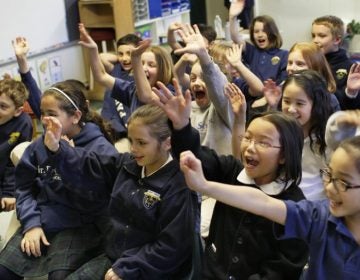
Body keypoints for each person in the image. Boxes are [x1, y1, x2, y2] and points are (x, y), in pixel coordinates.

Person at [153, 83, 308, 279]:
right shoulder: (233, 171)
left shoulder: (295, 206)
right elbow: (197, 157)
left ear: (285, 155)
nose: (250, 147)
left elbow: (285, 267)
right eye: (247, 138)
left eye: (263, 142)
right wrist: (181, 127)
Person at [40, 103, 199, 280]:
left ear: (167, 143)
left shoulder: (179, 186)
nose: (133, 149)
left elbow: (172, 247)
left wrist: (129, 267)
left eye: (141, 142)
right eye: (131, 140)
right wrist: (58, 149)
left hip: (149, 269)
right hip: (116, 256)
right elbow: (91, 165)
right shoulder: (128, 164)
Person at [179, 135, 360, 280]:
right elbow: (262, 202)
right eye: (329, 174)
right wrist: (204, 186)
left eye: (343, 182)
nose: (328, 188)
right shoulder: (319, 216)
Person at [0, 81, 118, 280]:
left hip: (80, 225)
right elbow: (24, 188)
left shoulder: (101, 149)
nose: (45, 120)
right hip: (43, 220)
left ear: (75, 116)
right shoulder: (39, 145)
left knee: (58, 275)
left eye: (52, 114)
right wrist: (31, 224)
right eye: (42, 113)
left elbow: (97, 199)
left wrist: (65, 157)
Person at [78, 23, 174, 121]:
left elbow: (147, 96)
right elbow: (101, 76)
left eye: (151, 65)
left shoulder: (170, 91)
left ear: (163, 68)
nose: (144, 68)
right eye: (142, 63)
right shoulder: (132, 89)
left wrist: (136, 59)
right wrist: (93, 49)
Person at [229, 0, 288, 85]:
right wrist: (232, 17)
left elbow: (283, 83)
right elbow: (235, 37)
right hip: (253, 95)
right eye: (256, 31)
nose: (260, 35)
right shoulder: (252, 52)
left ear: (272, 33)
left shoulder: (284, 54)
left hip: (272, 96)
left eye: (264, 31)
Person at [99, 33, 142, 143]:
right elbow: (102, 57)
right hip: (108, 122)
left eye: (129, 53)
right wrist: (119, 58)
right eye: (121, 54)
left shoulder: (140, 73)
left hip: (125, 127)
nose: (125, 58)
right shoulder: (116, 69)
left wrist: (136, 56)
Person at [312, 15, 359, 109]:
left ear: (337, 39)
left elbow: (351, 108)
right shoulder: (309, 63)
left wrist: (350, 92)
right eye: (313, 36)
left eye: (322, 36)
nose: (315, 40)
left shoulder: (351, 68)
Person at [0, 78, 32, 212]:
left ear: (17, 111)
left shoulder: (23, 123)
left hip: (6, 178)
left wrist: (8, 192)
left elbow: (15, 162)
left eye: (3, 106)